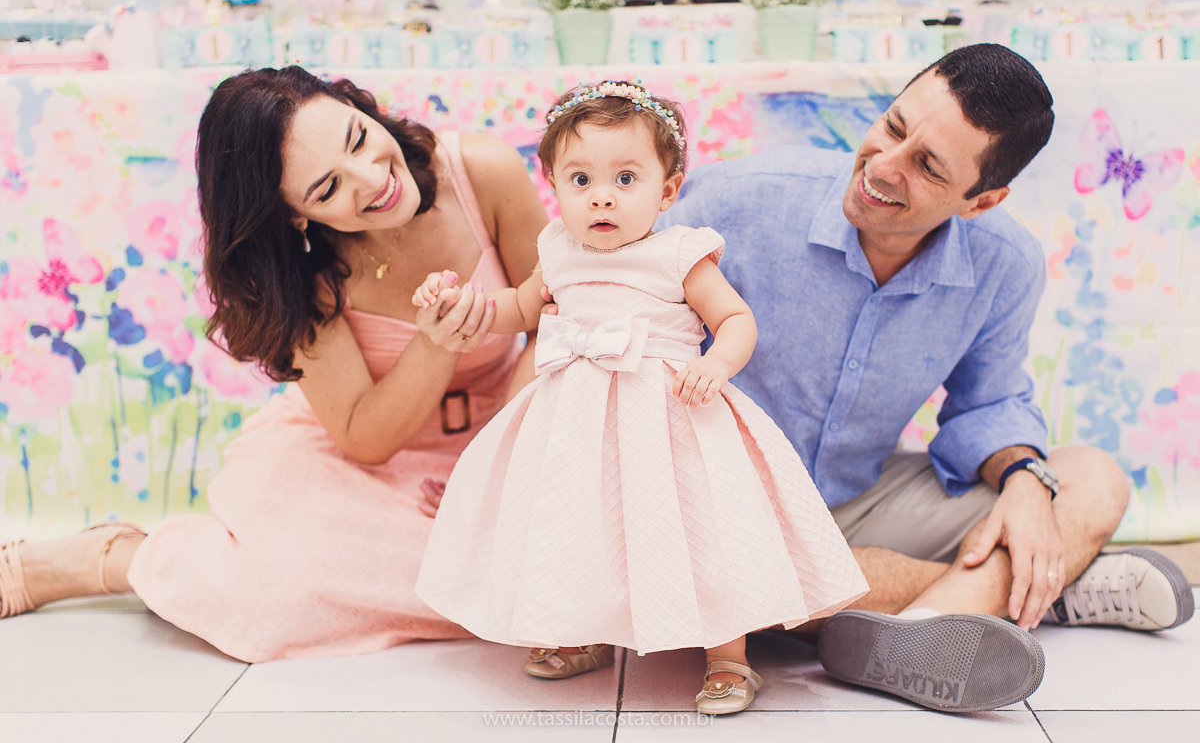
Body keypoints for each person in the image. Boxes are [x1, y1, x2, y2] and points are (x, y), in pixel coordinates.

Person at [657, 43, 1194, 712]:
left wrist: (1025, 480)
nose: (884, 166)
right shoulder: (737, 202)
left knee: (1089, 479)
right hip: (714, 512)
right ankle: (1040, 591)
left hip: (854, 500)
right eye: (893, 126)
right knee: (734, 572)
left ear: (982, 200)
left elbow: (989, 404)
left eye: (928, 166)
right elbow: (594, 307)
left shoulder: (1005, 264)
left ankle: (913, 634)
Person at [0, 66, 551, 663]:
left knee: (529, 564)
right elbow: (364, 437)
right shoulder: (299, 276)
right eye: (327, 189)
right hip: (363, 459)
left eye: (358, 139)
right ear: (293, 215)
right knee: (289, 588)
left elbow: (557, 323)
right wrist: (436, 344)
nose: (373, 180)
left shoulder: (481, 172)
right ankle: (109, 560)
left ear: (359, 108)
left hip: (517, 424)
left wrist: (495, 476)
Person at [410, 80, 869, 716]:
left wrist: (716, 363)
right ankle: (583, 635)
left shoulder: (679, 254)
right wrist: (463, 305)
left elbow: (736, 319)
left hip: (670, 419)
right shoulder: (557, 251)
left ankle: (729, 658)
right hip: (576, 424)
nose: (602, 196)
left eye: (626, 179)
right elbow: (517, 309)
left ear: (668, 190)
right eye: (581, 180)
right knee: (579, 526)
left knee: (704, 532)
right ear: (554, 185)